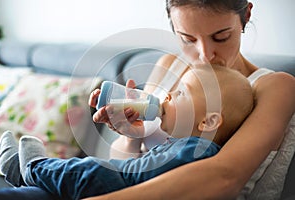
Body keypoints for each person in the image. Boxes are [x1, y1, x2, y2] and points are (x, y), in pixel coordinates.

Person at [86, 0, 295, 199]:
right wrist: (132, 136)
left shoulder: (274, 86)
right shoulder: (168, 66)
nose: (205, 55)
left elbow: (225, 178)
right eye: (188, 39)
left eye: (220, 37)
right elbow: (124, 169)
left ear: (246, 15)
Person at [0, 64, 254, 200]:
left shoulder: (199, 149)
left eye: (179, 94)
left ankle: (32, 167)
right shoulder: (180, 143)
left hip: (121, 188)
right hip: (120, 183)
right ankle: (26, 173)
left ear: (208, 122)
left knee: (89, 169)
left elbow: (140, 175)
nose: (166, 96)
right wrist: (133, 134)